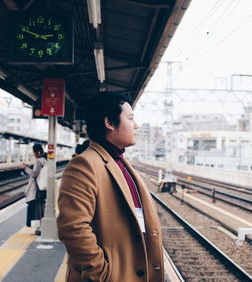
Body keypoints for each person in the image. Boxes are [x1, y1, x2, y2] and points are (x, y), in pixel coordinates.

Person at [57, 92, 164, 281]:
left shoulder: (119, 163)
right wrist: (101, 274)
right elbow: (73, 228)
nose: (136, 125)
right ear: (110, 123)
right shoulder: (84, 165)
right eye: (130, 118)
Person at [22, 144, 47, 227]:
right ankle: (38, 225)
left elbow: (35, 174)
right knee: (39, 208)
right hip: (40, 188)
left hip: (36, 189)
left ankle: (35, 226)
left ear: (38, 152)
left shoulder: (39, 161)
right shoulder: (45, 161)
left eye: (34, 152)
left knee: (33, 209)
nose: (33, 154)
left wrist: (26, 168)